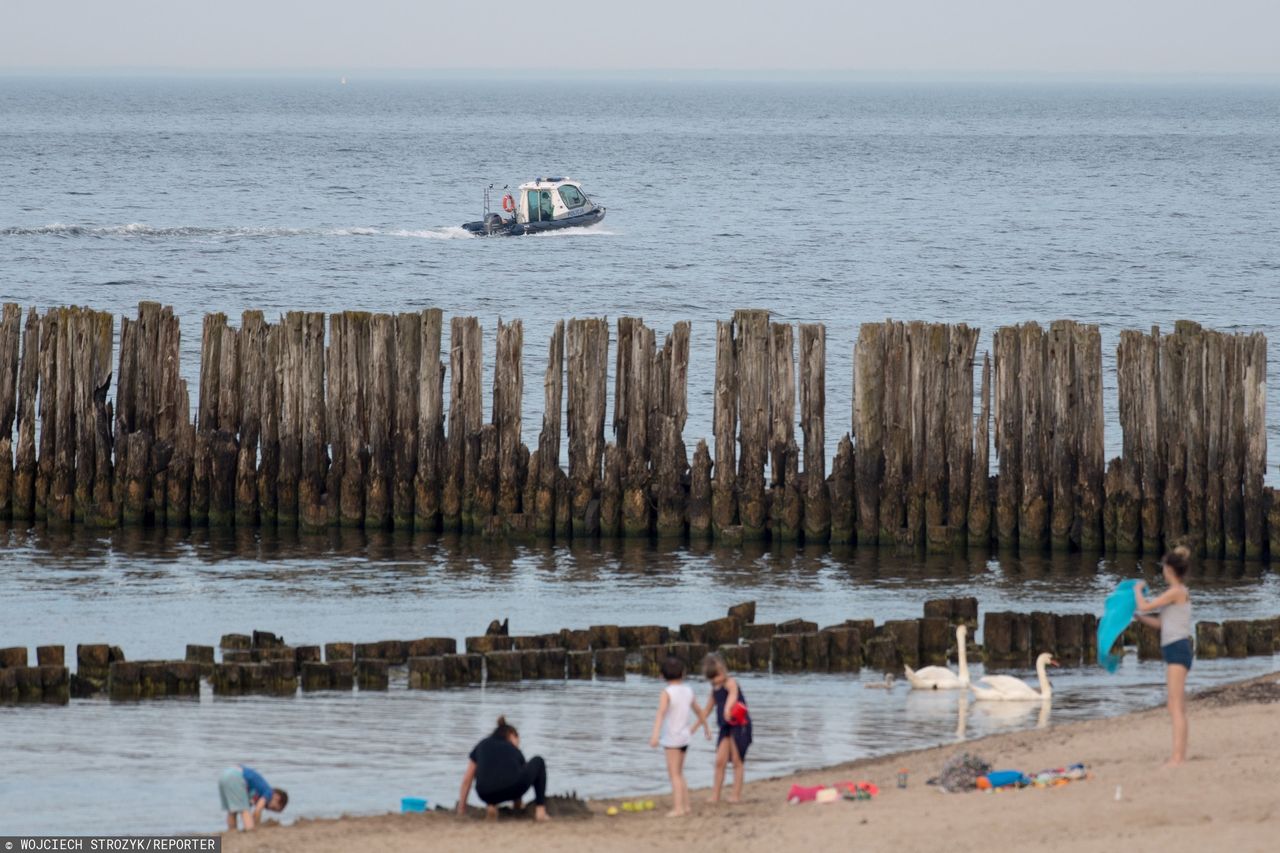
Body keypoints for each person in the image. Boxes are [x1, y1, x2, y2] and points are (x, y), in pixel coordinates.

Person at [1134, 545, 1193, 767]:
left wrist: (1137, 589)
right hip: (1174, 648)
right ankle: (1179, 755)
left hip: (1178, 649)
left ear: (1170, 569)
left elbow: (1145, 604)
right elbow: (1160, 623)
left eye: (1164, 567)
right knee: (1177, 705)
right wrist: (1139, 618)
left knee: (1175, 706)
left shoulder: (1176, 591)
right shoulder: (1176, 594)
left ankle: (1178, 757)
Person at [457, 716, 550, 822]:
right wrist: (517, 807)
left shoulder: (482, 745)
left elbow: (467, 780)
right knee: (539, 761)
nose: (518, 744)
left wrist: (461, 808)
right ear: (511, 735)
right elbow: (519, 777)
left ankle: (491, 806)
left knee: (490, 773)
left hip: (485, 793)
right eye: (517, 739)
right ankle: (540, 811)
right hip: (513, 788)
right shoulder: (514, 750)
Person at [648, 656, 702, 817]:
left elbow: (660, 714)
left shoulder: (667, 692)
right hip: (685, 737)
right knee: (680, 772)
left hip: (672, 738)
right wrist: (705, 727)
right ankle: (686, 806)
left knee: (674, 774)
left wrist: (655, 735)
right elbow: (698, 710)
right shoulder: (688, 690)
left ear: (662, 675)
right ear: (683, 673)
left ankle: (678, 808)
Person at [697, 653, 752, 803]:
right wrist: (695, 726)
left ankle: (736, 795)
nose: (717, 679)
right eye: (713, 678)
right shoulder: (715, 689)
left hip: (739, 725)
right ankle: (715, 795)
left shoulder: (730, 682)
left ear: (724, 670)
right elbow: (706, 710)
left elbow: (732, 695)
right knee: (719, 761)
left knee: (736, 760)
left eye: (719, 674)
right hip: (725, 728)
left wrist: (727, 709)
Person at [218, 764, 287, 831]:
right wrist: (257, 826)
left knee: (232, 810)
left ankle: (232, 831)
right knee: (244, 810)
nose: (268, 809)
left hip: (225, 774)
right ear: (277, 797)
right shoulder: (268, 792)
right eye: (273, 808)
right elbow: (257, 811)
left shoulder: (258, 791)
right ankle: (250, 831)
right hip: (237, 776)